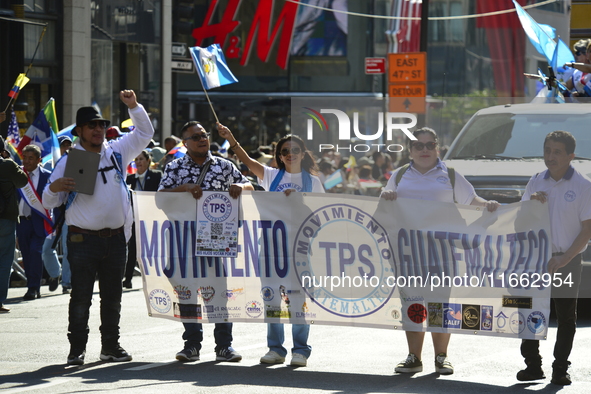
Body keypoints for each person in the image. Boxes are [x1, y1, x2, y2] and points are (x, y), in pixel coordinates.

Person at [42, 90, 153, 365]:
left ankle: (110, 347)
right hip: (82, 240)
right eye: (92, 125)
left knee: (112, 298)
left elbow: (145, 133)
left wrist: (134, 106)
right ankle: (77, 349)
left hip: (115, 239)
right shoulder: (69, 161)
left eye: (102, 125)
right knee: (80, 298)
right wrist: (55, 187)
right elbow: (49, 199)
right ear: (80, 130)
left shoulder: (117, 151)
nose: (98, 129)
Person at [380, 127, 499, 375]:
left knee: (439, 305)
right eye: (418, 146)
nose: (424, 150)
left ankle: (441, 358)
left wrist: (489, 205)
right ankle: (414, 357)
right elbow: (384, 204)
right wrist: (387, 195)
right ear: (410, 150)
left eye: (429, 145)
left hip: (441, 251)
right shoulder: (400, 175)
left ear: (437, 148)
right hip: (408, 252)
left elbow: (473, 201)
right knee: (412, 305)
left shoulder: (451, 175)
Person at [218, 124, 324, 367]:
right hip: (269, 247)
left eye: (295, 149)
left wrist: (299, 203)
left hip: (299, 249)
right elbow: (244, 159)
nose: (290, 154)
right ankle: (275, 349)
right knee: (271, 298)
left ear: (302, 152)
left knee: (297, 299)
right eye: (285, 150)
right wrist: (231, 138)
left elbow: (319, 218)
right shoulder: (270, 175)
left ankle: (300, 350)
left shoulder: (313, 182)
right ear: (279, 155)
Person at [158, 120, 254, 363]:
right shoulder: (175, 168)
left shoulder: (224, 166)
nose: (202, 139)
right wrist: (185, 188)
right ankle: (191, 345)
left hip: (216, 239)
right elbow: (159, 199)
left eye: (204, 134)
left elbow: (252, 184)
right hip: (184, 239)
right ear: (185, 143)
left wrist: (240, 186)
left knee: (218, 292)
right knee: (187, 291)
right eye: (196, 136)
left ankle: (224, 345)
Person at [516, 131, 591, 386]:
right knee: (530, 311)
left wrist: (565, 258)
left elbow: (587, 229)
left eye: (557, 152)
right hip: (536, 259)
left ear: (571, 156)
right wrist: (531, 205)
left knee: (566, 317)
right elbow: (519, 220)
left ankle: (560, 369)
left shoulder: (583, 186)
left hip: (566, 260)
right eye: (547, 150)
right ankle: (532, 366)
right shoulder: (536, 181)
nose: (550, 156)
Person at [17, 144, 52, 300]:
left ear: (39, 160)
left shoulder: (47, 176)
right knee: (26, 254)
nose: (27, 161)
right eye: (25, 158)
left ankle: (33, 287)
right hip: (22, 222)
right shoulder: (18, 174)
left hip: (39, 221)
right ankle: (32, 284)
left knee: (35, 252)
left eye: (31, 158)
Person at [123, 150, 162, 288]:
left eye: (141, 159)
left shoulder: (157, 175)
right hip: (134, 219)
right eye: (136, 159)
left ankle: (153, 279)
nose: (138, 162)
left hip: (151, 219)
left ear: (148, 161)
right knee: (133, 249)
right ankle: (127, 279)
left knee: (151, 250)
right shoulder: (129, 179)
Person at [0, 136, 28, 312]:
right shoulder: (7, 165)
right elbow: (23, 180)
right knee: (4, 261)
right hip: (6, 219)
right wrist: (9, 160)